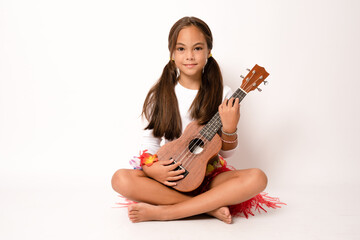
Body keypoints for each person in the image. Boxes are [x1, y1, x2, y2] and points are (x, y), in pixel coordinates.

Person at [111, 16, 283, 224]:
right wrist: (151, 169)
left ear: (209, 51)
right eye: (181, 49)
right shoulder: (161, 94)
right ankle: (208, 208)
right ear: (172, 54)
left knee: (257, 177)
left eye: (198, 48)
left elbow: (226, 153)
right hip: (170, 174)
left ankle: (168, 212)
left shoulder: (223, 93)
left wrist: (230, 128)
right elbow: (150, 143)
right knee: (120, 179)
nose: (190, 56)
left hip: (207, 176)